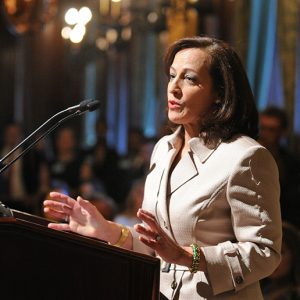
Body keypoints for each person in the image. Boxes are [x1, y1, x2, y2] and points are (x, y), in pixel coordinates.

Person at [44, 36, 282, 299]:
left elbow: (265, 253)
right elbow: (155, 246)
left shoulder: (246, 157)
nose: (174, 88)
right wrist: (107, 230)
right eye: (171, 76)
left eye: (189, 79)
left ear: (219, 94)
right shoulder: (164, 148)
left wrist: (189, 256)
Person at [258, 106, 300, 229]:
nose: (265, 134)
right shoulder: (248, 155)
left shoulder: (290, 163)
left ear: (282, 132)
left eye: (271, 130)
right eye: (263, 128)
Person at [261, 222, 300, 300]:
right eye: (267, 251)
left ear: (294, 255)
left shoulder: (295, 294)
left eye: (280, 252)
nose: (271, 259)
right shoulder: (260, 289)